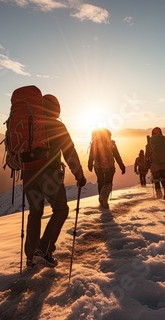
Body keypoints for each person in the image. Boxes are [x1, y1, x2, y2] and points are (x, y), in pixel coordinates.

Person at [23, 93, 86, 268]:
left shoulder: (28, 126)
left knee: (35, 213)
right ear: (55, 110)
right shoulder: (57, 126)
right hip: (48, 174)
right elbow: (69, 152)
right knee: (61, 209)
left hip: (28, 175)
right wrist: (79, 175)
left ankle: (30, 256)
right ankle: (44, 250)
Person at [88, 128, 125, 209]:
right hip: (109, 166)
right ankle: (104, 199)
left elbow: (91, 155)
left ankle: (102, 200)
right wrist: (121, 166)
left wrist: (90, 164)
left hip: (98, 167)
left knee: (100, 182)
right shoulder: (111, 143)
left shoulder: (94, 143)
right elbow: (116, 155)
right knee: (108, 183)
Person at [146, 127, 165, 200]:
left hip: (154, 164)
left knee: (156, 181)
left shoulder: (150, 142)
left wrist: (147, 164)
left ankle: (159, 196)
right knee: (164, 179)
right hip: (164, 164)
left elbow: (147, 155)